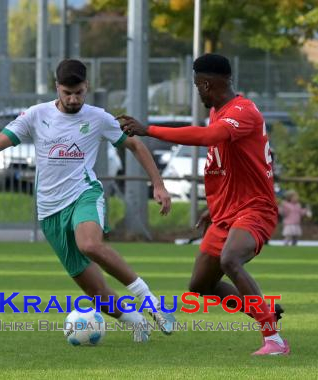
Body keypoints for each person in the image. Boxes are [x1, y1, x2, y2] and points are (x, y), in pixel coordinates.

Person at [0, 59, 175, 342]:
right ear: (57, 88)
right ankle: (136, 322)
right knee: (96, 292)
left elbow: (135, 144)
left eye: (79, 93)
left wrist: (158, 184)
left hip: (84, 194)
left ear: (87, 88)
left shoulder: (98, 118)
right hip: (49, 210)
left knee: (90, 244)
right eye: (67, 93)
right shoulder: (36, 115)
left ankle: (150, 302)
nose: (73, 99)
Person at [118, 53, 289, 356]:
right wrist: (215, 206)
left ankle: (274, 340)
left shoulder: (243, 111)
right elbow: (230, 164)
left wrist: (150, 129)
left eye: (197, 85)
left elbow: (209, 136)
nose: (197, 91)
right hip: (227, 212)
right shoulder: (220, 110)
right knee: (200, 286)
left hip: (254, 209)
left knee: (230, 260)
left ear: (207, 84)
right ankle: (264, 311)